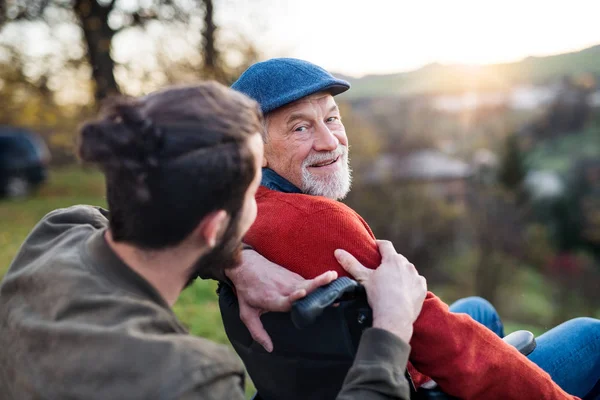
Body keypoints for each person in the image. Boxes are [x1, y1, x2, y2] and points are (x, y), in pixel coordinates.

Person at [0, 82, 427, 399]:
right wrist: (390, 329)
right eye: (251, 193)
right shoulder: (188, 380)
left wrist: (235, 262)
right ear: (212, 226)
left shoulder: (58, 232)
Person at [225, 58, 600, 400]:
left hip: (333, 375)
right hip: (399, 386)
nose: (330, 141)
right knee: (591, 335)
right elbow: (447, 344)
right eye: (301, 127)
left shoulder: (230, 212)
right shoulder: (317, 221)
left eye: (332, 118)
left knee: (478, 308)